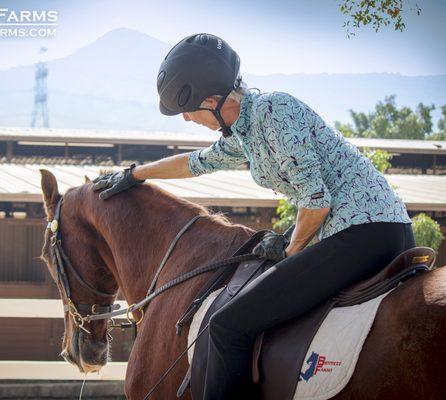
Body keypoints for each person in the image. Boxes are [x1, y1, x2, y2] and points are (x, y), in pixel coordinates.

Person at [92, 33, 414, 400]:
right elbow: (193, 163)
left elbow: (316, 201)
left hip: (362, 233)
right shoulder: (245, 133)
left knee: (226, 326)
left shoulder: (274, 112)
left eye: (188, 109)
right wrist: (134, 175)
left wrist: (291, 248)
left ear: (213, 101)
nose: (185, 118)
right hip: (369, 230)